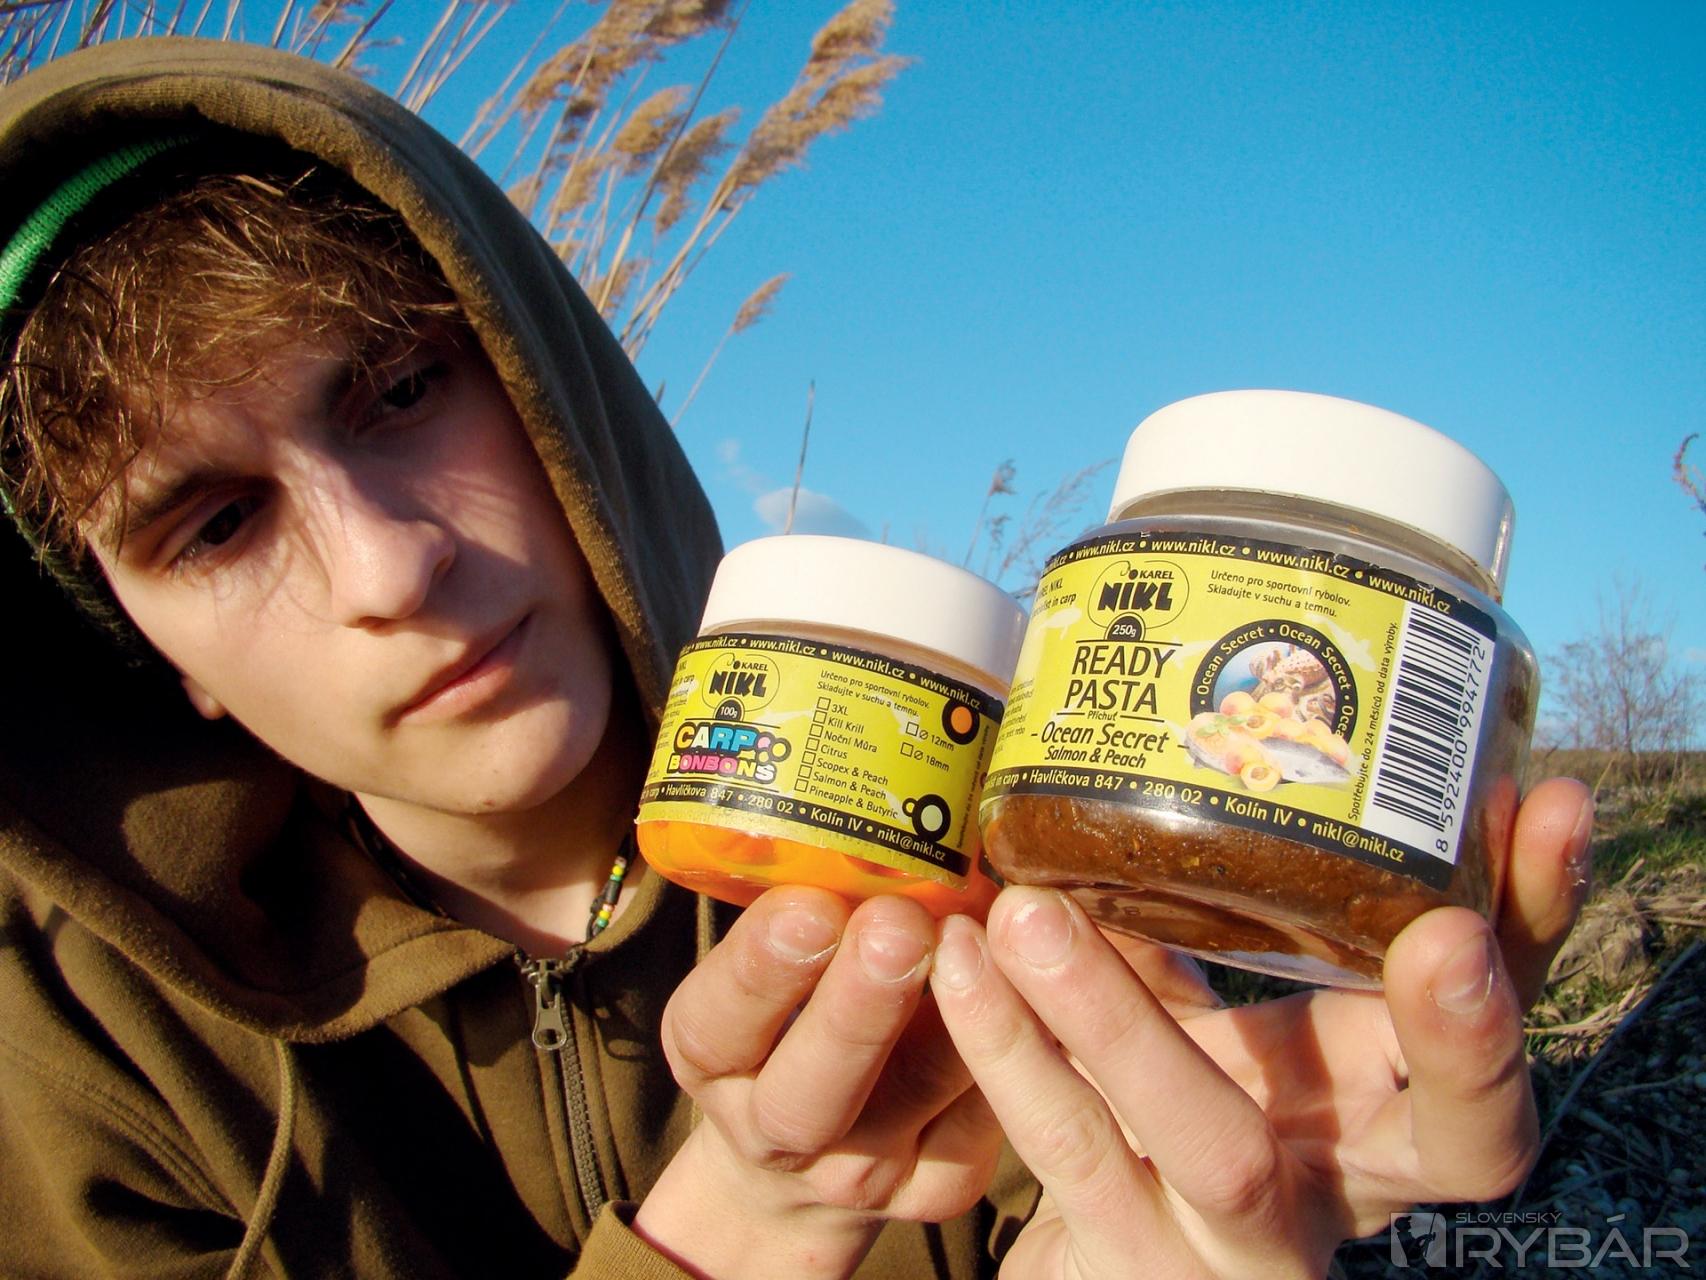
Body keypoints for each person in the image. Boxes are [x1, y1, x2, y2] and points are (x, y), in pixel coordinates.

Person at [0, 36, 1591, 1280]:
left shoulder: (1004, 874)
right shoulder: (74, 1049)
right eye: (216, 526)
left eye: (403, 391)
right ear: (145, 650)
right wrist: (741, 1231)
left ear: (542, 381)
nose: (388, 566)